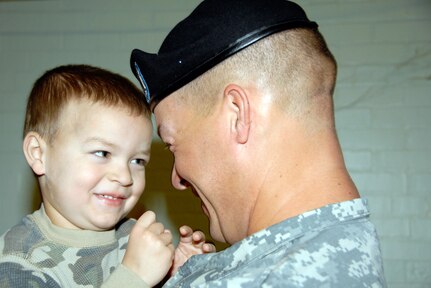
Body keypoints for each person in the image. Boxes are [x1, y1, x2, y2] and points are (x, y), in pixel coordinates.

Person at [129, 0, 387, 287]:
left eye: (171, 143)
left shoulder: (282, 277)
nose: (176, 179)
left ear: (237, 113)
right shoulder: (307, 261)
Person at [0, 64, 214, 288]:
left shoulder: (134, 238)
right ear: (39, 154)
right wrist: (133, 278)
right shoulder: (17, 265)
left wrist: (175, 276)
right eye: (102, 153)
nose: (125, 177)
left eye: (137, 161)